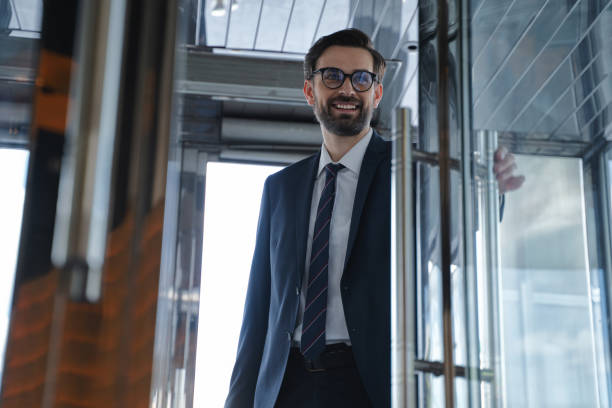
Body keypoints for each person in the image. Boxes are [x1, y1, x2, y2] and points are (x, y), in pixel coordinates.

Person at [225, 28, 523, 408]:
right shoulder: (279, 188)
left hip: (371, 385)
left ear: (377, 94)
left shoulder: (411, 171)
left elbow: (452, 245)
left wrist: (489, 192)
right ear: (309, 91)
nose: (347, 89)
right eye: (332, 76)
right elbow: (259, 311)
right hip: (286, 386)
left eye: (362, 79)